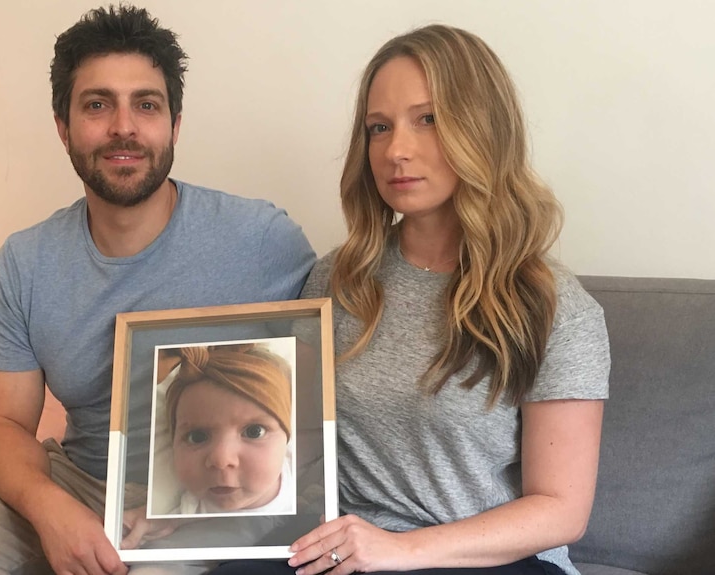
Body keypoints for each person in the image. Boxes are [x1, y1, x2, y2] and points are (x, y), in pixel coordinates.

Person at [0, 5, 314, 575]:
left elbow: (326, 387)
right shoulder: (27, 261)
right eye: (97, 105)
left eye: (147, 104)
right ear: (63, 127)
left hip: (220, 486)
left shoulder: (263, 240)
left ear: (174, 124)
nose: (124, 127)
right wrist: (52, 509)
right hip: (82, 476)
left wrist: (206, 504)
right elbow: (2, 423)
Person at [209, 24, 609, 575]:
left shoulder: (555, 308)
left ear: (482, 129)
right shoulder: (337, 279)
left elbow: (561, 510)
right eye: (379, 127)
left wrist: (401, 550)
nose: (396, 150)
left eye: (429, 119)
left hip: (494, 562)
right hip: (347, 551)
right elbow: (283, 441)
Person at [161, 343, 295, 516]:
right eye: (197, 436)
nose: (221, 459)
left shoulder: (301, 469)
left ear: (286, 436)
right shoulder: (186, 514)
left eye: (254, 432)